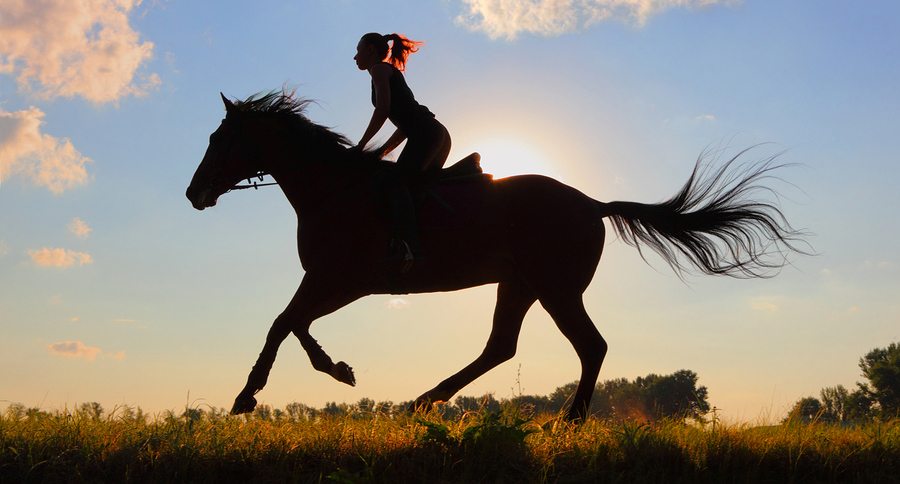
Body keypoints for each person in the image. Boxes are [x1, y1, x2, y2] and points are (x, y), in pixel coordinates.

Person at [354, 32, 451, 273]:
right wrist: (381, 152)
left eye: (359, 50)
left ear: (372, 51)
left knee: (394, 181)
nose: (355, 56)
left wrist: (361, 146)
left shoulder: (379, 70)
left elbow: (383, 110)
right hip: (435, 134)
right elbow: (403, 127)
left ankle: (407, 247)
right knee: (416, 187)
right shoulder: (384, 72)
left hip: (426, 134)